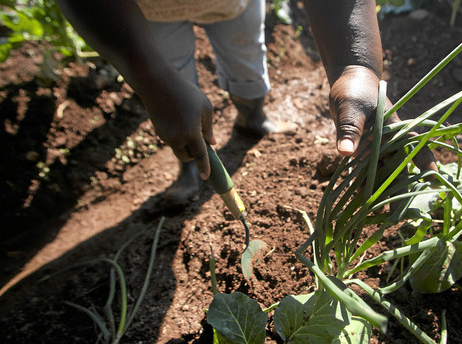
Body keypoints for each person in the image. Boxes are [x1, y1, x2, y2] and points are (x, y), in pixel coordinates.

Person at [56, 0, 436, 205]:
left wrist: (357, 65)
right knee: (176, 89)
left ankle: (252, 118)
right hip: (146, 12)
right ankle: (190, 168)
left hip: (234, 5)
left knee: (247, 68)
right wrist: (152, 80)